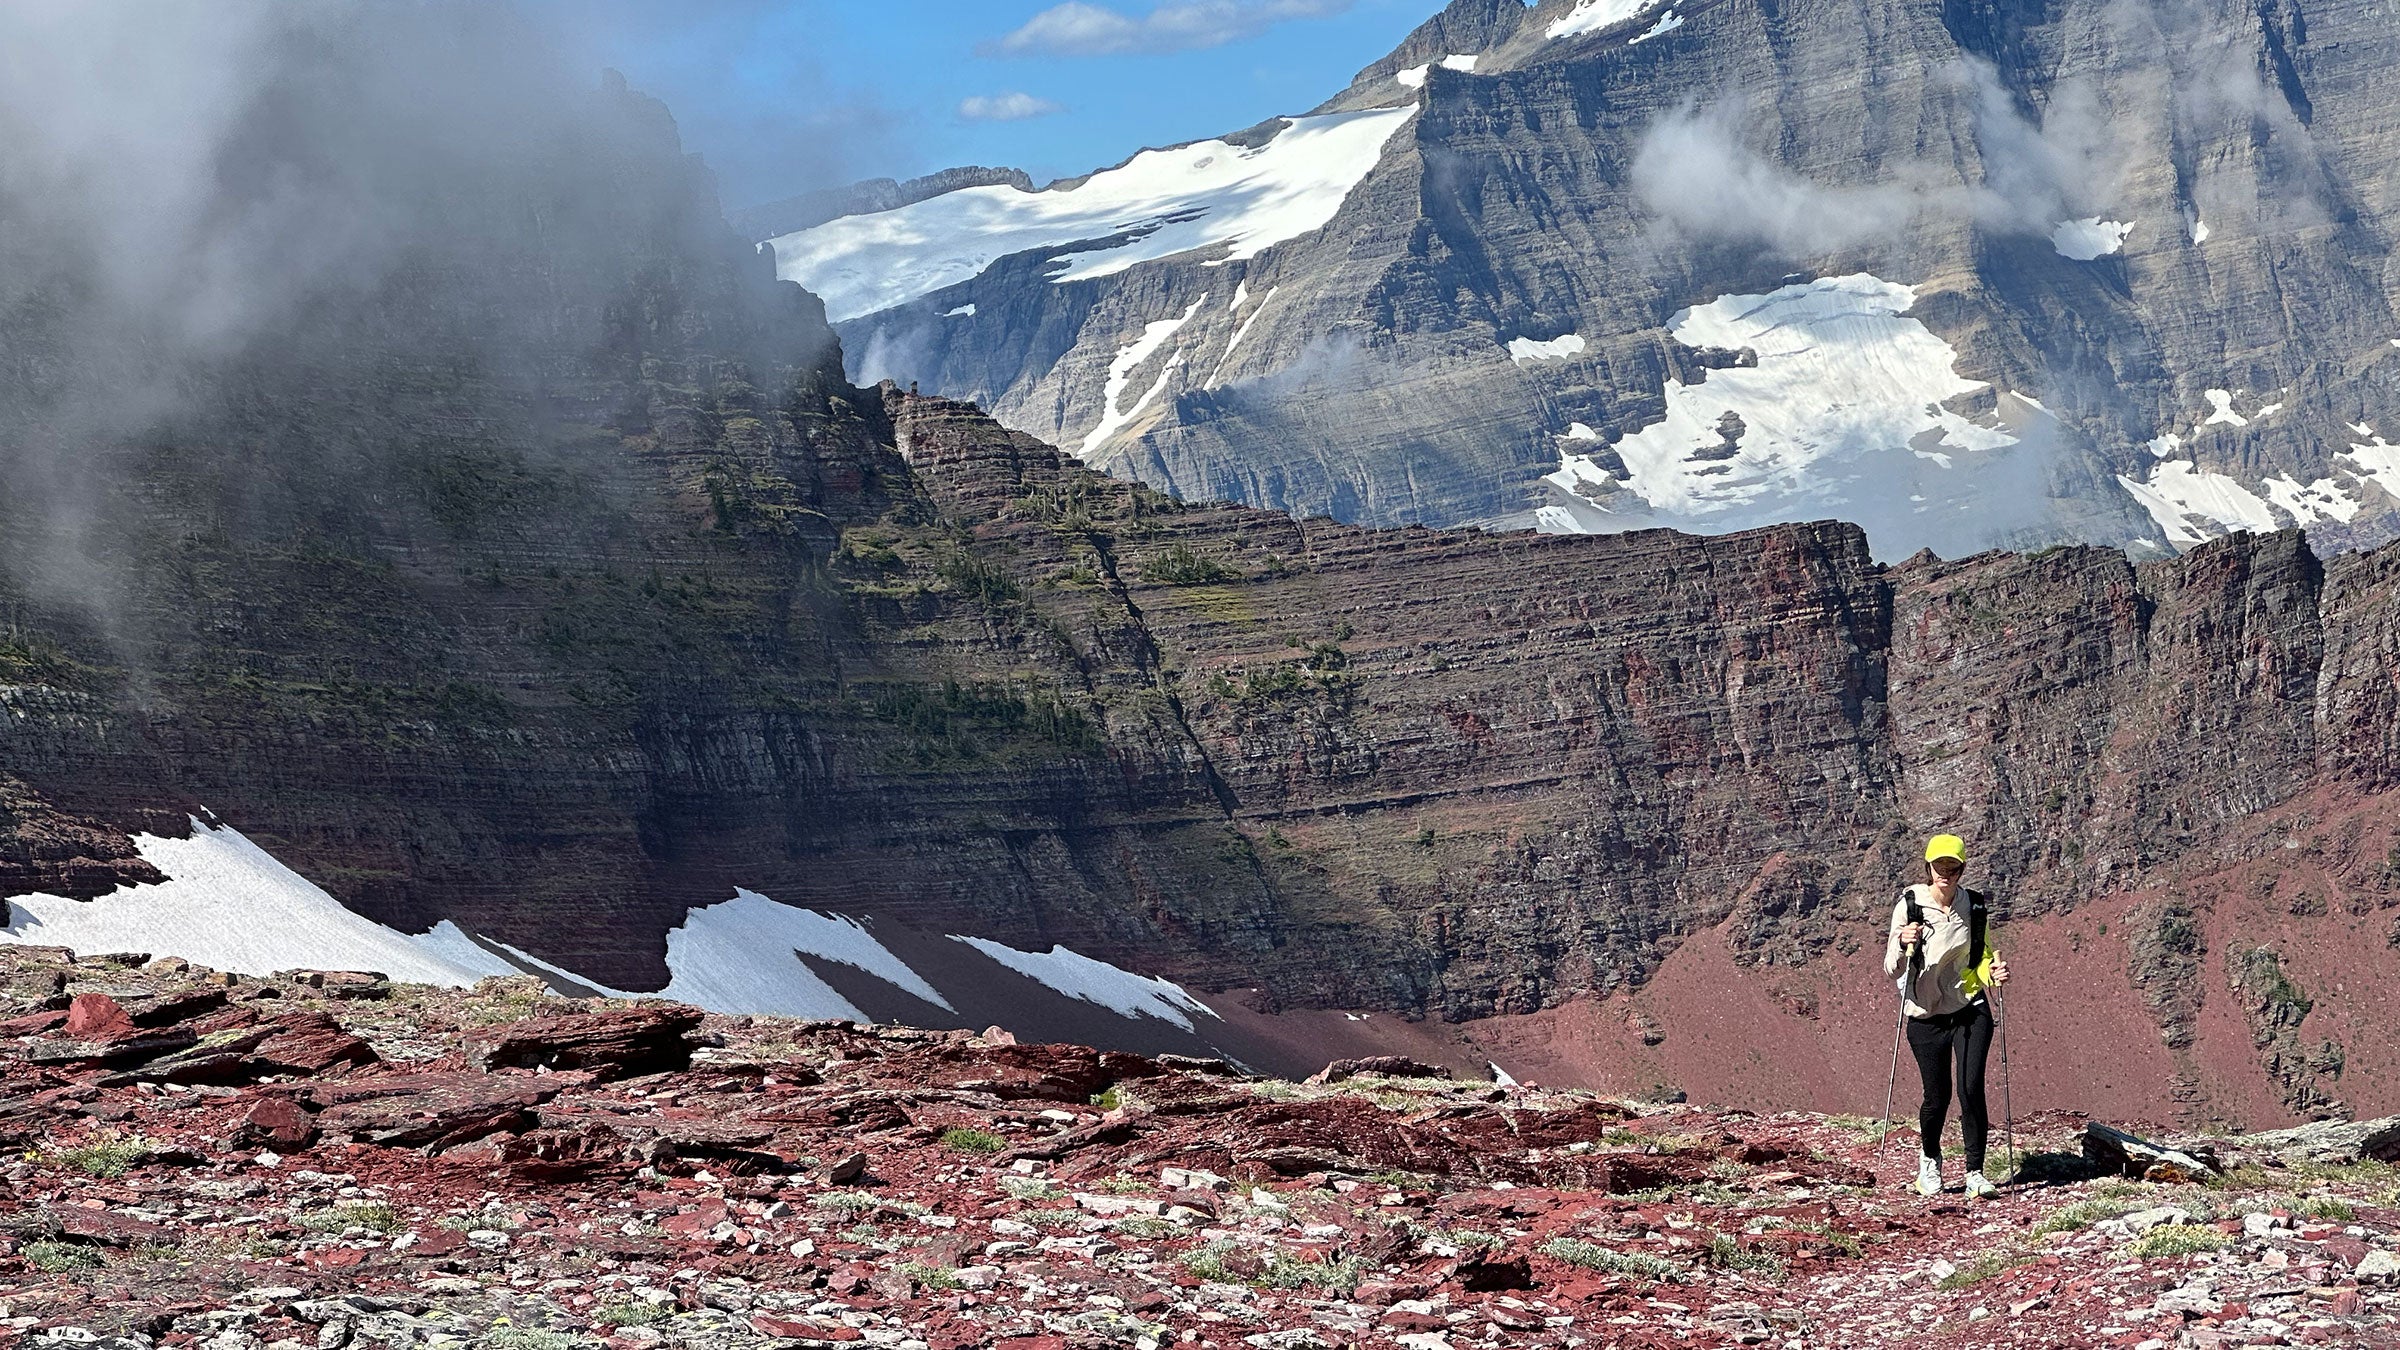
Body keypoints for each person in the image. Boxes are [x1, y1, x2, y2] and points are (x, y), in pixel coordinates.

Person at [1885, 833, 2010, 1198]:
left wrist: (1994, 975)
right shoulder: (1909, 905)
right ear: (1928, 868)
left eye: (1953, 867)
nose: (1946, 873)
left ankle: (1975, 1173)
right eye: (1939, 866)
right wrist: (1902, 942)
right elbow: (1890, 969)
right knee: (1936, 1096)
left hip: (1970, 1007)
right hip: (1925, 1015)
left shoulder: (1973, 906)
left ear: (1962, 869)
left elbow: (1982, 958)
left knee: (1971, 1089)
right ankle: (1929, 1164)